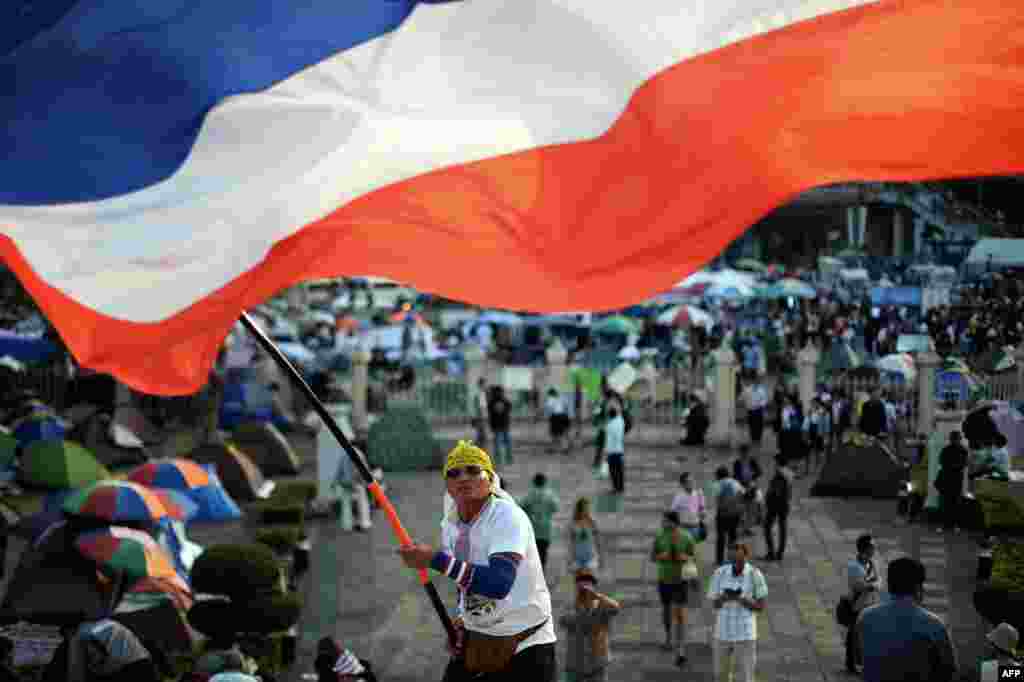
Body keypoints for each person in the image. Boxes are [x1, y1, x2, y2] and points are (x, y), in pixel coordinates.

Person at [397, 441, 556, 681]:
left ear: (490, 478)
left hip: (526, 646)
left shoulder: (506, 516)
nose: (463, 477)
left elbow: (498, 583)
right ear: (448, 486)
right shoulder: (451, 523)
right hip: (479, 640)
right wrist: (463, 619)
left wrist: (433, 559)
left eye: (473, 470)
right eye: (454, 473)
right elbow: (465, 582)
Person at [855, 556, 957, 682]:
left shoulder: (865, 617)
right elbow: (948, 671)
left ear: (890, 585)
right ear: (918, 588)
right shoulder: (933, 625)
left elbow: (859, 659)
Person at [707, 542, 768, 682]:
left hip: (745, 633)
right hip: (723, 631)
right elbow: (715, 604)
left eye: (739, 560)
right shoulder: (720, 573)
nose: (736, 564)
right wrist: (723, 598)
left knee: (746, 676)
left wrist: (742, 600)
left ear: (746, 557)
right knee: (721, 675)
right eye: (733, 560)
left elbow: (761, 606)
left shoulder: (755, 575)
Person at [651, 511, 697, 666]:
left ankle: (681, 646)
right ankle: (668, 637)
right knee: (666, 610)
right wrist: (660, 557)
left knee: (680, 614)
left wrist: (684, 558)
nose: (662, 523)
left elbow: (693, 558)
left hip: (680, 580)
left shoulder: (687, 537)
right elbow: (652, 556)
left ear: (673, 522)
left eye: (665, 521)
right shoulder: (659, 536)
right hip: (664, 579)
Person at [559, 569, 621, 682]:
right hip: (575, 662)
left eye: (588, 581)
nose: (584, 584)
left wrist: (597, 596)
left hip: (597, 662)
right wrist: (582, 606)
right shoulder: (570, 604)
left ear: (594, 585)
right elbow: (564, 621)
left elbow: (616, 608)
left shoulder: (602, 604)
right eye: (581, 581)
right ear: (576, 585)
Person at [66, 619, 160, 682]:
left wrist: (93, 669)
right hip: (143, 662)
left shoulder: (84, 633)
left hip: (129, 668)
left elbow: (97, 655)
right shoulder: (105, 624)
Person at [845, 534, 883, 674]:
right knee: (854, 635)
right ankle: (851, 662)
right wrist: (872, 584)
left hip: (871, 604)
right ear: (865, 548)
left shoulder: (873, 563)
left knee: (867, 636)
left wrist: (873, 584)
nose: (874, 550)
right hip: (858, 605)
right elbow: (860, 586)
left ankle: (863, 661)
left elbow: (879, 582)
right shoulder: (854, 566)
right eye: (872, 547)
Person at [518, 473, 560, 572]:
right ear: (545, 482)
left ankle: (533, 574)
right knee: (543, 554)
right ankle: (541, 574)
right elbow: (555, 508)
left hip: (532, 530)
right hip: (545, 530)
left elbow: (520, 507)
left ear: (534, 482)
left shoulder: (529, 495)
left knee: (532, 555)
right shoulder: (550, 495)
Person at [935, 431, 968, 535]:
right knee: (954, 503)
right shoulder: (963, 450)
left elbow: (941, 461)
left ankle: (944, 525)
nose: (956, 441)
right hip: (956, 479)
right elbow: (964, 464)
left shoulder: (946, 450)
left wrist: (949, 466)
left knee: (945, 503)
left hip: (947, 478)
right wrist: (955, 466)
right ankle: (954, 525)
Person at [712, 465, 746, 567]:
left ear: (718, 476)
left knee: (721, 537)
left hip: (723, 514)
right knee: (733, 537)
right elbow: (743, 494)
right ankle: (733, 558)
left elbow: (716, 498)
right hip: (735, 514)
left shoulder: (718, 484)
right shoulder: (735, 482)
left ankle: (719, 560)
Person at [762, 456, 792, 562]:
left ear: (778, 462)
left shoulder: (780, 473)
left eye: (775, 462)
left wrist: (768, 499)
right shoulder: (789, 472)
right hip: (785, 504)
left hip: (775, 505)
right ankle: (780, 553)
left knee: (766, 527)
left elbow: (776, 490)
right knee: (782, 528)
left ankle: (771, 553)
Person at [568, 497, 603, 575]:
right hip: (577, 558)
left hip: (590, 557)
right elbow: (571, 543)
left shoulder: (592, 522)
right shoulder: (573, 523)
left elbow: (598, 540)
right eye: (584, 508)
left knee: (589, 581)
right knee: (579, 582)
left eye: (587, 508)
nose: (586, 510)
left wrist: (601, 557)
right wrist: (569, 558)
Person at [670, 472, 706, 539]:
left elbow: (702, 510)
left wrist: (702, 512)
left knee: (695, 548)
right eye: (688, 482)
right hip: (683, 529)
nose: (691, 483)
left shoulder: (699, 494)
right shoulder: (678, 497)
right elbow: (672, 512)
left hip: (696, 528)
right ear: (683, 484)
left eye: (692, 481)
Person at [488, 386, 513, 467]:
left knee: (498, 443)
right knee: (507, 442)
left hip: (496, 425)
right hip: (504, 424)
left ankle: (498, 459)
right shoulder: (505, 401)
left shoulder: (491, 402)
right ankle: (508, 458)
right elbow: (509, 409)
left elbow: (490, 414)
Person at [604, 404, 626, 494]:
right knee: (620, 470)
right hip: (620, 450)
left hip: (612, 451)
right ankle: (620, 487)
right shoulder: (621, 421)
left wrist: (606, 452)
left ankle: (616, 488)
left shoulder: (610, 425)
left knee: (613, 471)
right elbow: (620, 414)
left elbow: (609, 440)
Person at [743, 377, 769, 449]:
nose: (757, 382)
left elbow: (764, 399)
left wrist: (761, 405)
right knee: (751, 424)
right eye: (756, 381)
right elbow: (745, 398)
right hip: (750, 410)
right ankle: (753, 438)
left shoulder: (762, 390)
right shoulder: (748, 389)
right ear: (753, 381)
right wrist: (748, 405)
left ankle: (758, 438)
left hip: (758, 410)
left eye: (758, 381)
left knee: (759, 424)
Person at [544, 387, 571, 454]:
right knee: (563, 433)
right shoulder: (562, 398)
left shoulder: (550, 399)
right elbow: (566, 407)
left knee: (554, 434)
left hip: (556, 417)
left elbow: (549, 409)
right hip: (564, 416)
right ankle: (565, 448)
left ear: (550, 394)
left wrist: (548, 417)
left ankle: (554, 448)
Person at [472, 378, 489, 449]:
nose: (486, 386)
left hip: (479, 416)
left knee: (480, 434)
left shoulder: (479, 393)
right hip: (481, 416)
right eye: (485, 384)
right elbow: (481, 407)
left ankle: (477, 448)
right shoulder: (480, 394)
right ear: (481, 385)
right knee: (482, 435)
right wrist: (484, 417)